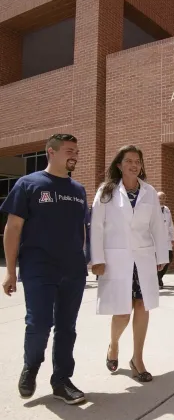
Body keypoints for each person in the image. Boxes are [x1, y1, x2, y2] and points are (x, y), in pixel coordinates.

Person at [1, 134, 88, 404]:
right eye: (69, 150)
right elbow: (13, 228)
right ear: (51, 152)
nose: (74, 155)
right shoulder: (29, 184)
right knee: (39, 324)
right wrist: (11, 270)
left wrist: (83, 260)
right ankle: (31, 366)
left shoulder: (78, 190)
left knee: (67, 327)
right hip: (39, 267)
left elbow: (81, 229)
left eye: (76, 150)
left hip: (73, 269)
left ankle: (61, 380)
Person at [90, 145, 169, 383]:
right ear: (119, 165)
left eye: (138, 161)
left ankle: (138, 359)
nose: (134, 165)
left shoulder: (149, 191)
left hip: (143, 258)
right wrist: (97, 259)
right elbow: (96, 226)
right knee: (122, 312)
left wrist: (161, 256)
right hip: (117, 259)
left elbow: (157, 226)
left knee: (143, 306)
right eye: (129, 161)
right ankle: (113, 346)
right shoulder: (107, 191)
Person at [157, 191, 174, 289]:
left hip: (166, 239)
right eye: (160, 198)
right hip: (155, 239)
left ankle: (159, 277)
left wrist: (172, 238)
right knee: (157, 260)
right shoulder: (152, 209)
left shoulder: (167, 209)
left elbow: (170, 224)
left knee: (169, 257)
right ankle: (157, 279)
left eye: (163, 198)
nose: (162, 200)